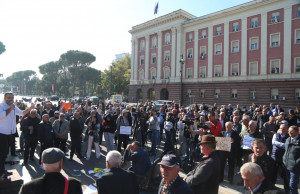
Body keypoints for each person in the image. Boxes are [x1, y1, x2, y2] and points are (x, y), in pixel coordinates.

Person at [0, 93, 33, 180]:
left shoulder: (13, 106)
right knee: (2, 154)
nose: (10, 99)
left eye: (12, 98)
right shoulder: (1, 106)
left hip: (10, 133)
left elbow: (22, 113)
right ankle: (1, 173)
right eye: (8, 97)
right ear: (4, 97)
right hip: (2, 134)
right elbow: (1, 116)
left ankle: (3, 170)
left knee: (5, 153)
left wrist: (30, 108)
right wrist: (10, 109)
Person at [270, 123, 289, 192]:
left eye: (284, 129)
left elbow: (287, 145)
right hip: (274, 157)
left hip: (284, 159)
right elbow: (273, 142)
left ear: (287, 130)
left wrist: (278, 144)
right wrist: (283, 145)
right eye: (281, 128)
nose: (282, 130)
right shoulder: (276, 135)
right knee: (273, 174)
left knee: (285, 175)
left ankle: (287, 190)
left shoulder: (289, 137)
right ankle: (272, 189)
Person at [283, 125, 300, 194]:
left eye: (291, 131)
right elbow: (286, 151)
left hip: (295, 168)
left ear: (297, 132)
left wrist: (296, 164)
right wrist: (284, 160)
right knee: (289, 185)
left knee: (292, 185)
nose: (289, 132)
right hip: (287, 166)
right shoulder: (288, 139)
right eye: (288, 131)